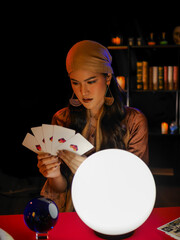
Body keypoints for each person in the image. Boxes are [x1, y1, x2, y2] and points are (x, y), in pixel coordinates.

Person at [37, 40, 149, 212]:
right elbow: (60, 189)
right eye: (76, 83)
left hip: (116, 213)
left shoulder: (133, 121)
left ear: (108, 77)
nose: (83, 91)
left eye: (90, 81)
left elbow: (136, 184)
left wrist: (90, 169)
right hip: (72, 215)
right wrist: (54, 175)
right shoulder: (62, 119)